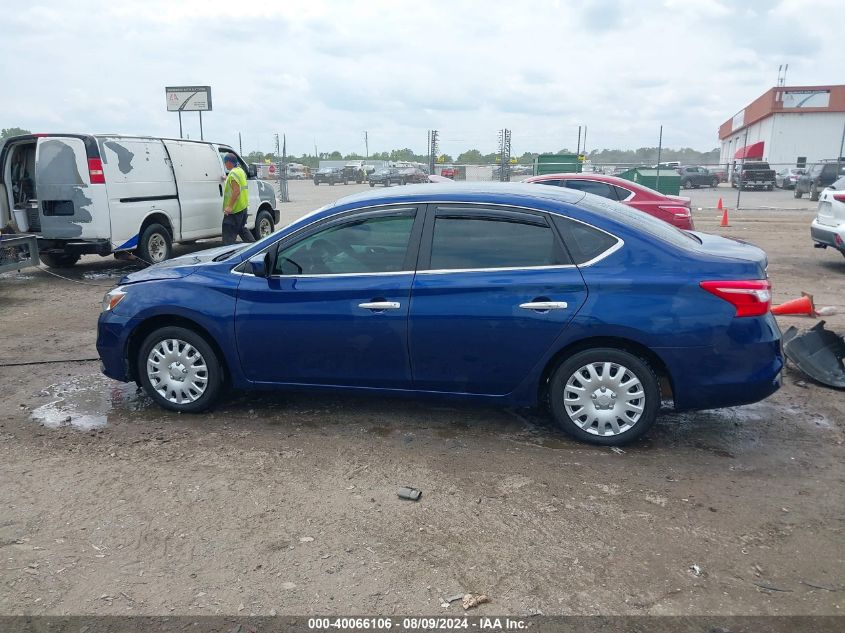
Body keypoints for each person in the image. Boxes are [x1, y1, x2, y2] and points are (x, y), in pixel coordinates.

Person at [221, 154, 255, 245]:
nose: (225, 165)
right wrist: (226, 178)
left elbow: (236, 191)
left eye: (225, 163)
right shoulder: (240, 171)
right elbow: (238, 182)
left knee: (228, 235)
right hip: (243, 208)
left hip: (234, 211)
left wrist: (229, 207)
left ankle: (228, 254)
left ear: (229, 162)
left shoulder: (232, 174)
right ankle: (254, 246)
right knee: (241, 229)